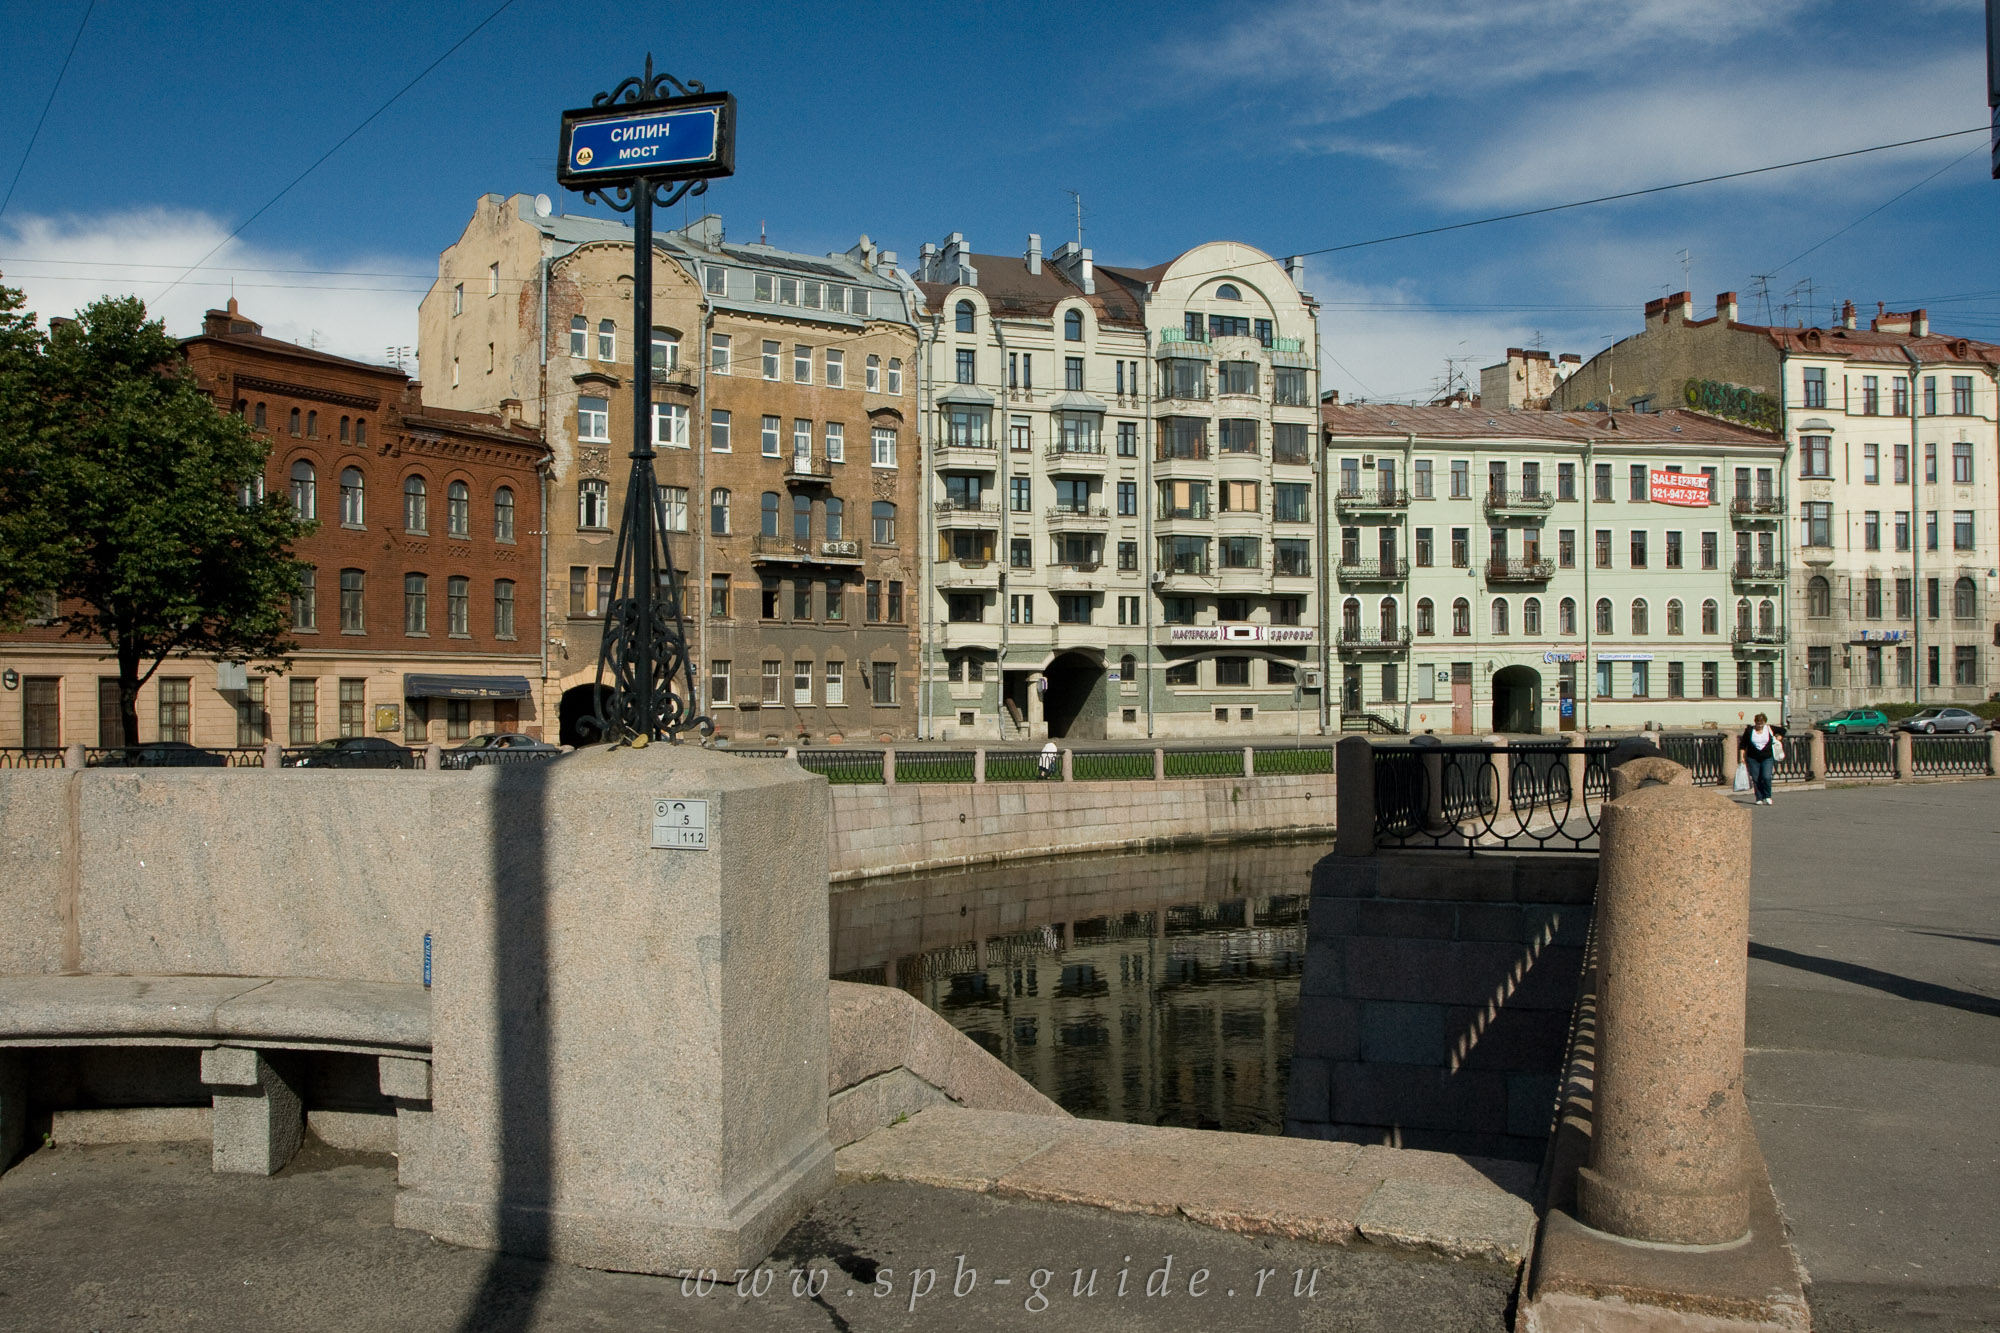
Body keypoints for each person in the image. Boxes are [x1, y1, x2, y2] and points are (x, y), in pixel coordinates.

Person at [1738, 712, 1786, 805]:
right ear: (1755, 722)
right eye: (1758, 723)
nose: (1759, 725)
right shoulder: (1749, 731)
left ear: (1764, 722)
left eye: (1761, 723)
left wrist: (1779, 737)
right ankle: (1759, 797)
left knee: (1766, 777)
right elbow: (1743, 745)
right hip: (1753, 758)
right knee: (1756, 778)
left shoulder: (1769, 728)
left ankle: (1767, 796)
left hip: (1767, 757)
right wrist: (1741, 757)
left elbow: (1783, 730)